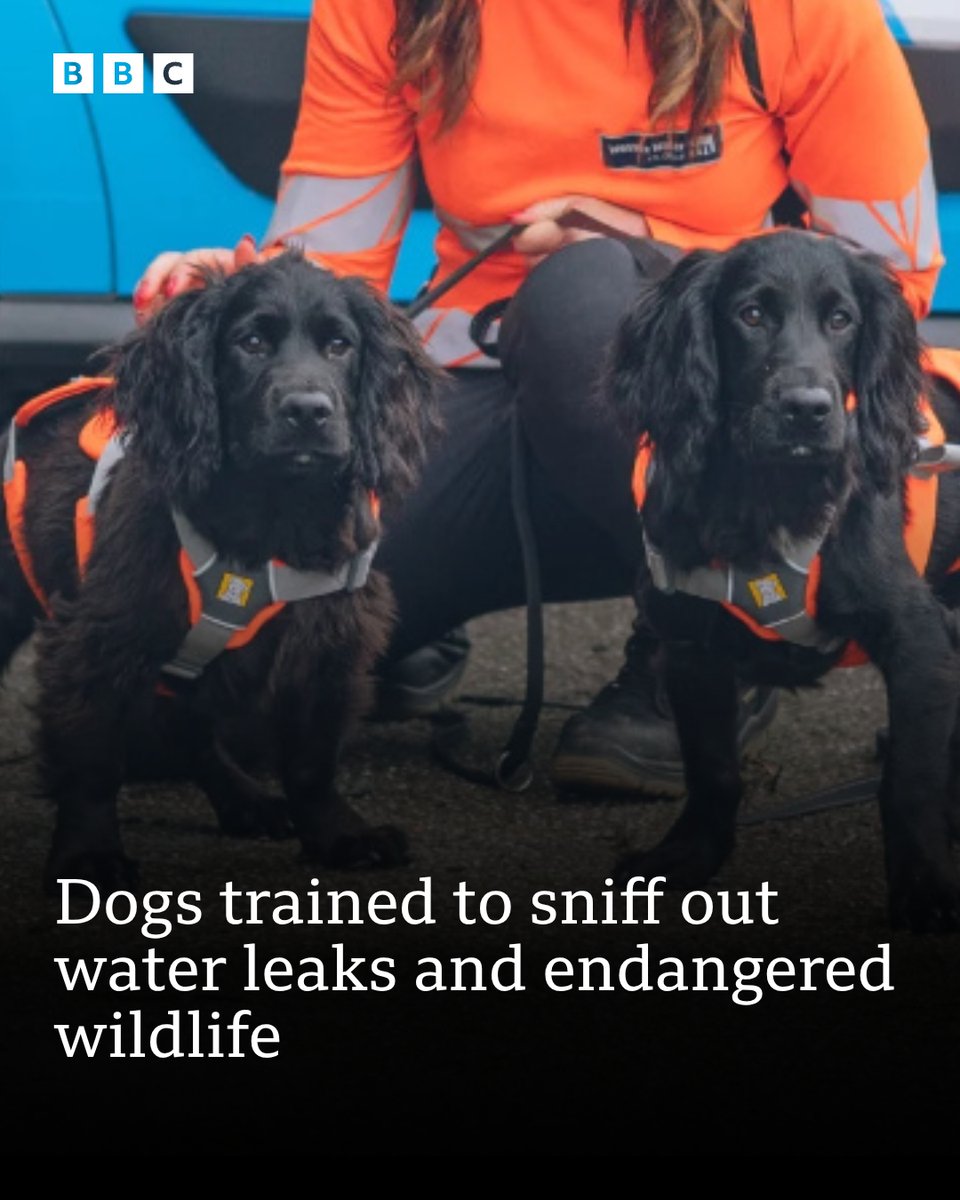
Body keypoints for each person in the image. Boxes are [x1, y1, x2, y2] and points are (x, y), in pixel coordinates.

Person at [136, 0, 942, 797]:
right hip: (483, 396)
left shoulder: (800, 10)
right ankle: (415, 631)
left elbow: (889, 280)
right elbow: (334, 270)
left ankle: (712, 643)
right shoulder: (384, 8)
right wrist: (229, 296)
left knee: (579, 292)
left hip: (698, 428)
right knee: (226, 723)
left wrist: (641, 244)